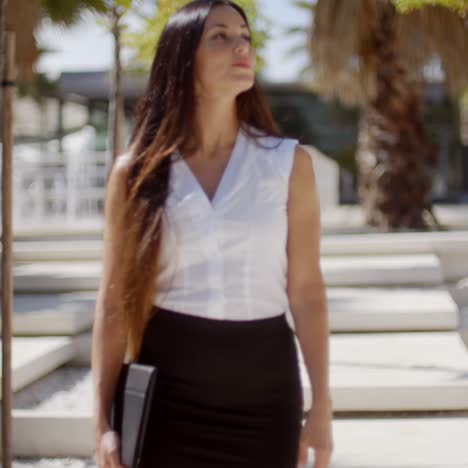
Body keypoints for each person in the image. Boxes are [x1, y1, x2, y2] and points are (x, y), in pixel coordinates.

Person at [91, 1, 333, 467]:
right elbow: (113, 301)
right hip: (168, 390)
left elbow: (306, 292)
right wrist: (101, 422)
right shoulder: (136, 173)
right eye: (219, 36)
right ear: (183, 58)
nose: (240, 45)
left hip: (266, 394)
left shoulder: (288, 165)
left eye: (244, 35)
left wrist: (321, 403)